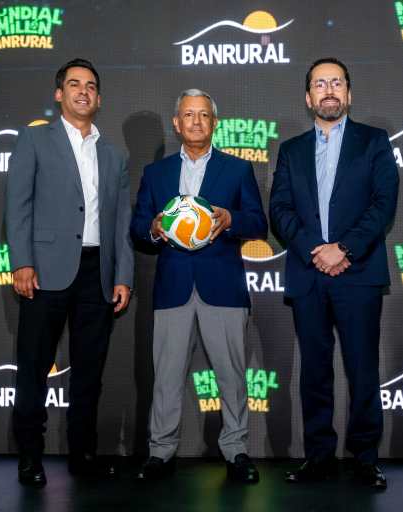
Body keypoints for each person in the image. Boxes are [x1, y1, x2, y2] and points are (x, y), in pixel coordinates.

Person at [269, 58, 399, 490]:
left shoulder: (374, 141)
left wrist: (342, 248)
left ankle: (365, 459)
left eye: (336, 82)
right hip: (309, 275)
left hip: (357, 272)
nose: (329, 90)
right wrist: (315, 250)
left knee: (363, 371)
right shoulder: (291, 150)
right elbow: (279, 210)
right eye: (320, 84)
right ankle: (319, 457)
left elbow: (383, 203)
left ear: (349, 93)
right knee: (315, 373)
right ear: (308, 98)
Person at [5, 58, 133, 487]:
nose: (83, 91)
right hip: (44, 271)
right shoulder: (34, 139)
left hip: (98, 273)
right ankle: (30, 457)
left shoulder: (114, 155)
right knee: (33, 367)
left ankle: (83, 455)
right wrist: (22, 262)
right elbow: (17, 205)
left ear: (99, 98)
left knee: (89, 373)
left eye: (91, 86)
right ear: (59, 94)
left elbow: (121, 223)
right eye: (74, 84)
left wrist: (123, 275)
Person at [130, 89, 267, 483]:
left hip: (222, 287)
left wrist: (231, 218)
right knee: (166, 377)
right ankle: (160, 452)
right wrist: (154, 229)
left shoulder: (237, 169)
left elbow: (258, 223)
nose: (196, 121)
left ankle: (236, 450)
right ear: (177, 123)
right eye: (188, 114)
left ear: (214, 123)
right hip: (172, 287)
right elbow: (138, 229)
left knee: (232, 376)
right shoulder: (155, 173)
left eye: (203, 115)